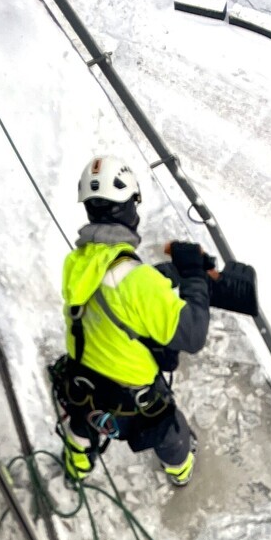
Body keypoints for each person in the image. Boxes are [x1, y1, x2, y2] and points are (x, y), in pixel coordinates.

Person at [52, 155, 211, 486]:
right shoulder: (135, 281)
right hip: (133, 405)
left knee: (81, 424)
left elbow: (114, 289)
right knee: (172, 432)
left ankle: (77, 466)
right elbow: (193, 334)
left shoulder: (78, 261)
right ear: (124, 209)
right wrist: (195, 276)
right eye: (134, 204)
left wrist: (163, 276)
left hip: (83, 386)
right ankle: (180, 471)